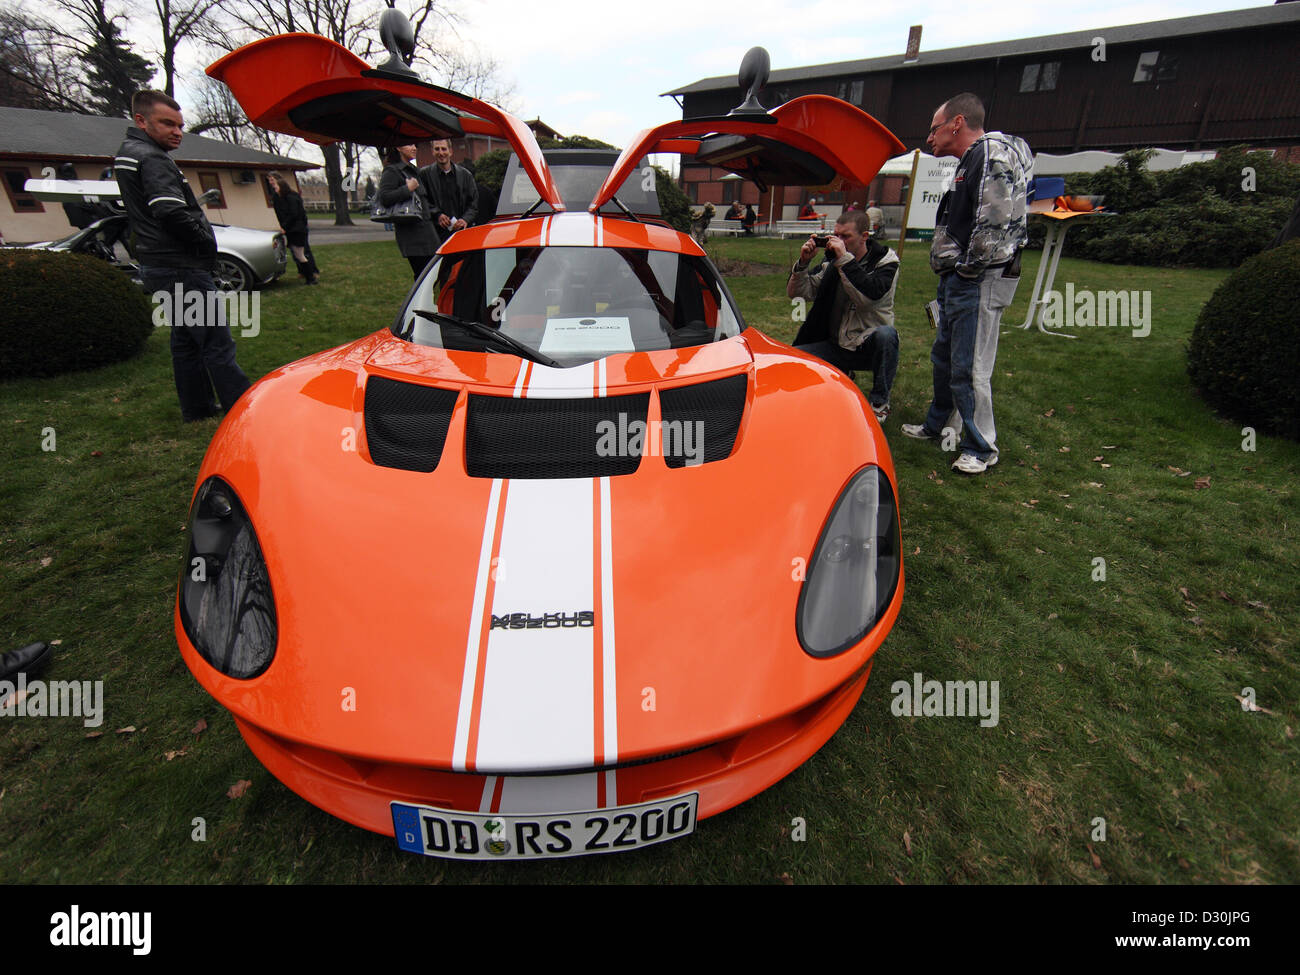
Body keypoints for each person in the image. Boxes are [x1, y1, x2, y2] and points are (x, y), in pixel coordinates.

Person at [901, 93, 1032, 474]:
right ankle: (940, 423)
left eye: (934, 128)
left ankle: (980, 446)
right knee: (944, 358)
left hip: (977, 281)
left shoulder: (990, 154)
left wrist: (965, 271)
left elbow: (993, 222)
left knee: (971, 367)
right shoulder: (971, 161)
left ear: (956, 123)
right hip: (959, 281)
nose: (929, 138)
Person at [116, 90, 250, 422]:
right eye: (167, 123)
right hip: (180, 266)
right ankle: (243, 412)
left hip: (159, 265)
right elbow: (169, 211)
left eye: (180, 125)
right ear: (141, 120)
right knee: (217, 344)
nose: (177, 131)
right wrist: (205, 244)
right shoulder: (152, 158)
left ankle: (197, 407)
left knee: (186, 342)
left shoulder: (129, 154)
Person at [789, 210, 900, 421]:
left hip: (866, 343)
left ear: (864, 236)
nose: (838, 241)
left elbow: (867, 300)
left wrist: (844, 260)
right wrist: (803, 264)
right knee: (794, 358)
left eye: (846, 236)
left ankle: (879, 402)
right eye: (835, 235)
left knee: (887, 335)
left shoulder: (885, 263)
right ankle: (840, 375)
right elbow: (800, 293)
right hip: (835, 344)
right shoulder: (833, 261)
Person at [378, 144, 438, 278]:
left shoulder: (414, 171)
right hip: (413, 237)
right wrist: (407, 189)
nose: (415, 148)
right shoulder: (392, 171)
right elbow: (385, 197)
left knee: (432, 277)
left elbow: (424, 201)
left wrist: (438, 214)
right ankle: (422, 300)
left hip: (428, 233)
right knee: (423, 278)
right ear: (398, 147)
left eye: (415, 145)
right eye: (410, 144)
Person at [420, 138, 478, 245]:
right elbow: (422, 200)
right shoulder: (425, 175)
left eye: (444, 149)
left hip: (461, 231)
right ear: (432, 151)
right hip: (437, 233)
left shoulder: (465, 175)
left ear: (450, 151)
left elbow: (474, 203)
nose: (441, 153)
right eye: (437, 149)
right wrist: (437, 214)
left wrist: (465, 219)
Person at [267, 171, 319, 285]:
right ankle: (307, 275)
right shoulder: (279, 197)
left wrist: (285, 226)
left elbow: (295, 214)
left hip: (297, 229)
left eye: (275, 185)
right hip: (292, 229)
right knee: (297, 254)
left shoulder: (291, 197)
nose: (273, 187)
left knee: (301, 254)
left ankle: (311, 276)